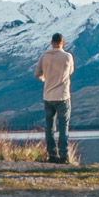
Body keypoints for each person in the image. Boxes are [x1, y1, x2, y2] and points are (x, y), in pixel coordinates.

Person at [34, 33, 75, 163]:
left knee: (49, 127)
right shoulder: (67, 57)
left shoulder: (44, 56)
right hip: (63, 96)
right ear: (63, 43)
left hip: (48, 96)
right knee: (64, 126)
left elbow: (37, 74)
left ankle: (52, 155)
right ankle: (64, 156)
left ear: (52, 43)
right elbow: (70, 72)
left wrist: (45, 80)